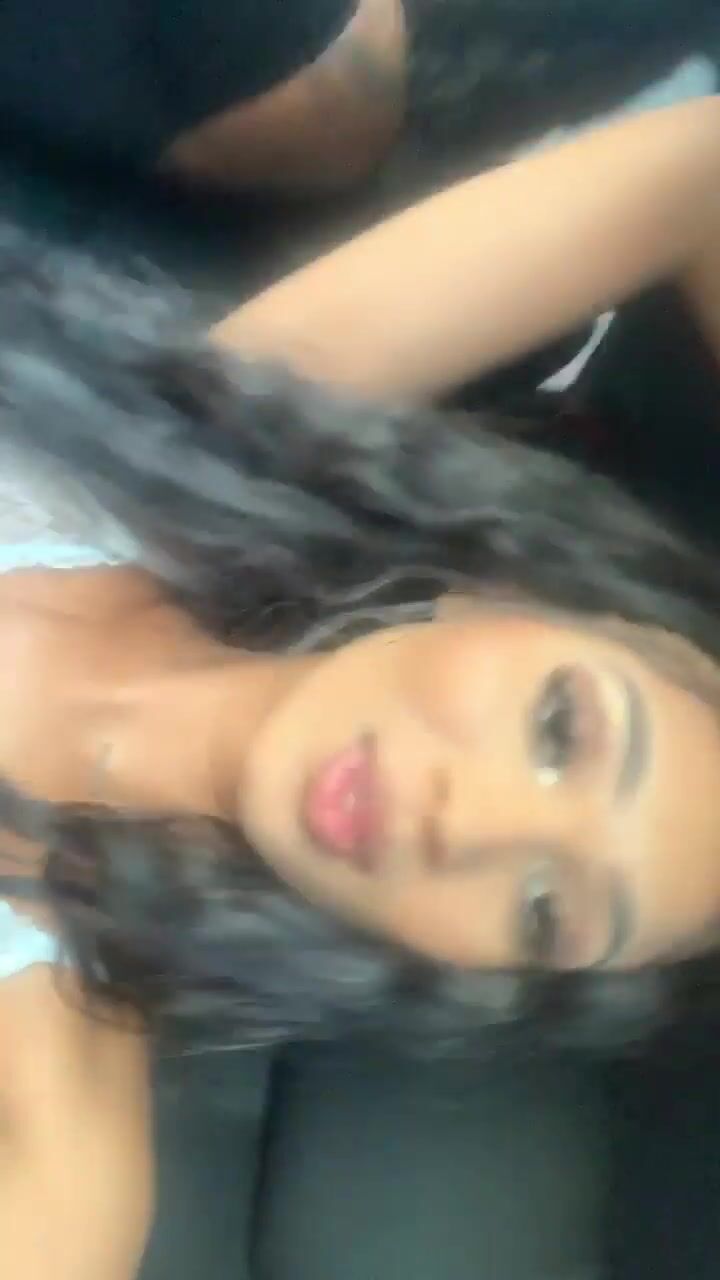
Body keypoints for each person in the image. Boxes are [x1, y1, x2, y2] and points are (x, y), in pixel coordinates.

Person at [4, 97, 720, 1276]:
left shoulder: (61, 1144)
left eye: (545, 907)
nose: (466, 822)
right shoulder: (188, 433)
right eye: (560, 728)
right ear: (501, 599)